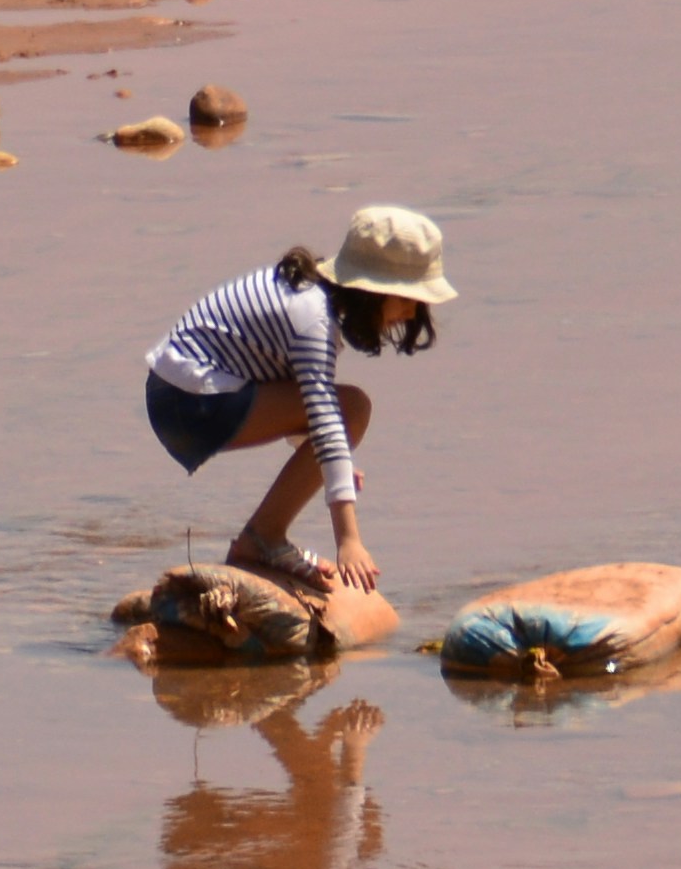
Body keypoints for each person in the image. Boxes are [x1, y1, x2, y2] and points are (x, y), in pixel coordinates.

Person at [139, 206, 457, 596]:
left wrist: (324, 461)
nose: (411, 312)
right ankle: (262, 539)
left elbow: (282, 379)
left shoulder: (309, 295)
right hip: (188, 402)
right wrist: (348, 539)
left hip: (178, 393)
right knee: (352, 410)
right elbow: (325, 418)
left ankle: (264, 537)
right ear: (371, 290)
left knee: (338, 429)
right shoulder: (313, 320)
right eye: (407, 299)